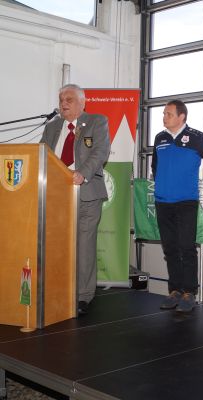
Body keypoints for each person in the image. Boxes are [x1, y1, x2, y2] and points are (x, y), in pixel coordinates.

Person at [40, 83, 110, 315]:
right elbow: (41, 155)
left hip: (86, 192)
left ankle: (83, 296)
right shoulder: (52, 126)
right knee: (56, 244)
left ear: (82, 102)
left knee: (84, 245)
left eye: (69, 99)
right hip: (56, 195)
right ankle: (58, 290)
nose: (63, 103)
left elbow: (100, 151)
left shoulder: (96, 121)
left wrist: (82, 173)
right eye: (61, 100)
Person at [151, 100, 203, 313]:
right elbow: (155, 167)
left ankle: (189, 292)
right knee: (170, 248)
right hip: (162, 202)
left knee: (186, 247)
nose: (164, 117)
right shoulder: (159, 138)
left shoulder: (196, 138)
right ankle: (175, 290)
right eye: (164, 114)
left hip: (186, 202)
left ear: (182, 117)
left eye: (169, 114)